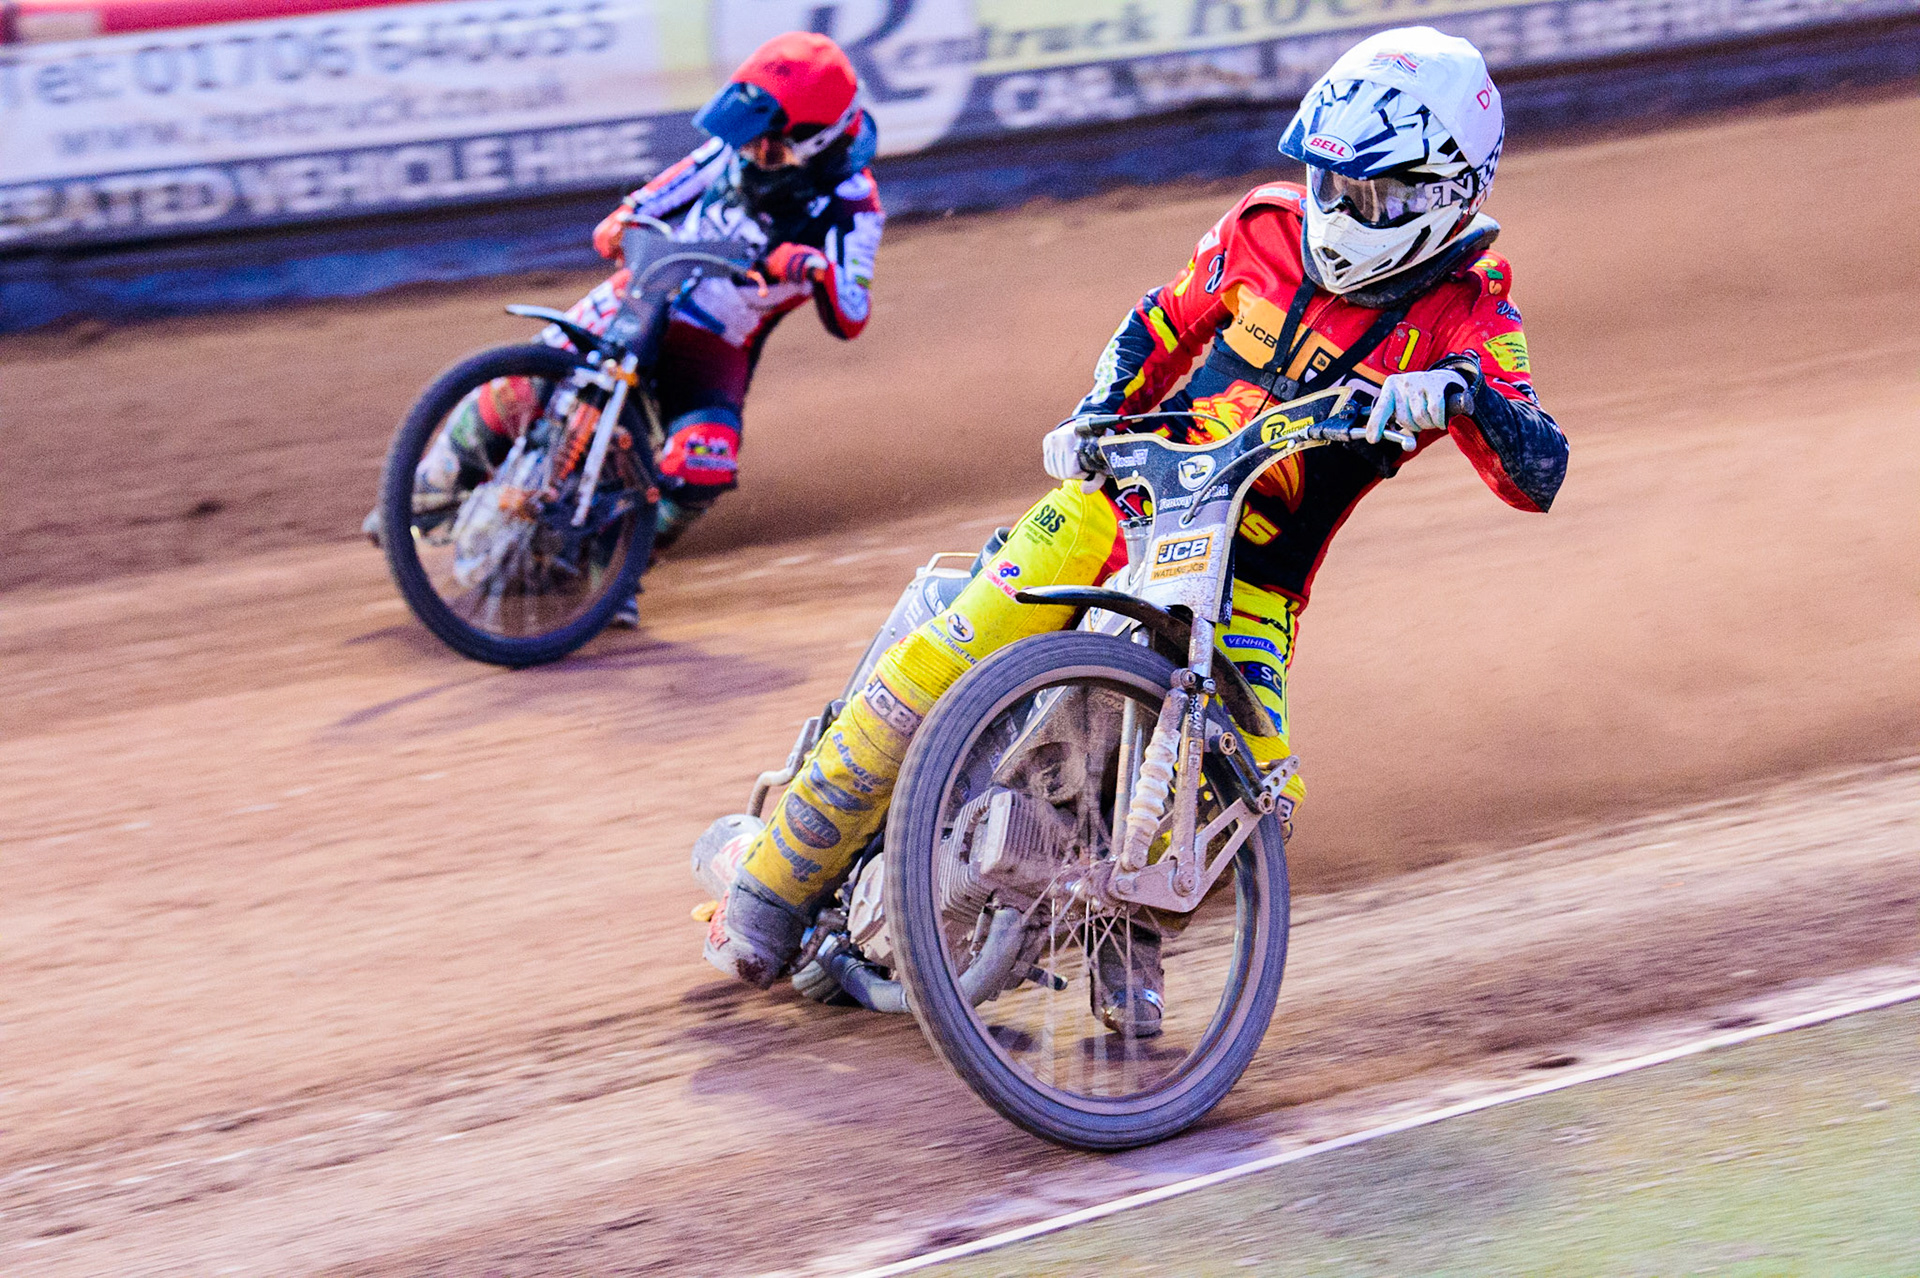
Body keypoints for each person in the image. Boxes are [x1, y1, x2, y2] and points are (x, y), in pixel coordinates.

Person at [692, 27, 1568, 1034]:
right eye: (1327, 180)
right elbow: (1160, 319)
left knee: (1250, 799)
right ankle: (768, 886)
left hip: (1256, 579)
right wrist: (1102, 410)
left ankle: (1124, 934)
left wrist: (1460, 394)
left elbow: (1538, 467)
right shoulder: (1265, 228)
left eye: (1366, 193)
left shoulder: (1469, 317)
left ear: (1442, 191)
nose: (1336, 208)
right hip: (1120, 506)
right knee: (940, 663)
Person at [369, 32, 885, 625]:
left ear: (816, 144)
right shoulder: (731, 151)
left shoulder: (855, 205)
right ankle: (423, 489)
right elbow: (648, 202)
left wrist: (814, 267)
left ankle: (616, 568)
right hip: (641, 297)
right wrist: (623, 220)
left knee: (704, 464)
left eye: (766, 149)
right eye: (746, 142)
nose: (748, 156)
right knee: (528, 376)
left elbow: (852, 314)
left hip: (715, 345)